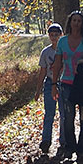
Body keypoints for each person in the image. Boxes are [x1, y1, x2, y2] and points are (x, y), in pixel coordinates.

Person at [50, 11, 83, 164]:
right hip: (66, 83)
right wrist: (54, 84)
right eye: (74, 20)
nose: (76, 23)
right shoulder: (63, 42)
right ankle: (70, 147)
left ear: (82, 23)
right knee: (67, 118)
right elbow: (57, 64)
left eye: (79, 21)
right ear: (70, 22)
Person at [34, 23, 62, 155]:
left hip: (63, 83)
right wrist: (38, 89)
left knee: (64, 114)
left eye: (57, 34)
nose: (54, 37)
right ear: (49, 36)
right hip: (50, 83)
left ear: (61, 35)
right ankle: (46, 140)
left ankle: (64, 141)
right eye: (52, 35)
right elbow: (42, 72)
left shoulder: (65, 50)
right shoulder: (46, 52)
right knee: (49, 113)